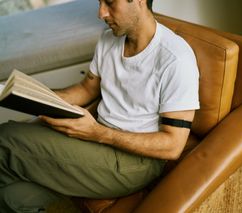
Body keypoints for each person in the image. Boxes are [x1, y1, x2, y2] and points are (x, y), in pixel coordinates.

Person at [0, 0, 199, 212]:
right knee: (10, 197)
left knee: (6, 137)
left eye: (110, 3)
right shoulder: (108, 40)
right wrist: (41, 99)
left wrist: (97, 133)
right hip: (98, 140)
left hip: (134, 163)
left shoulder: (175, 59)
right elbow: (87, 89)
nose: (101, 13)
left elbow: (173, 145)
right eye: (100, 3)